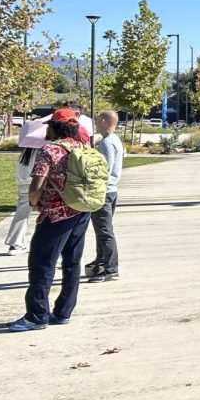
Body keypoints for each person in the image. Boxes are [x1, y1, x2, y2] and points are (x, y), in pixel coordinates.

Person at [8, 108, 97, 331]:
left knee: (41, 263)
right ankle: (64, 311)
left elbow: (36, 185)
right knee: (72, 262)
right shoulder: (83, 148)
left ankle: (37, 316)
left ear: (54, 127)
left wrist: (34, 203)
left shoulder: (50, 150)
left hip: (56, 214)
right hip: (80, 210)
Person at [87, 110, 124, 283]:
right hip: (110, 190)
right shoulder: (114, 140)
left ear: (103, 121)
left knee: (104, 231)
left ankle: (110, 269)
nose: (95, 122)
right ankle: (101, 260)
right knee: (101, 230)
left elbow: (104, 169)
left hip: (104, 192)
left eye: (96, 119)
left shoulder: (108, 143)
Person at [6, 147, 36, 254]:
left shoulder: (25, 152)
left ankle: (14, 244)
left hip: (23, 183)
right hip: (35, 184)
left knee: (21, 214)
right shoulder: (42, 151)